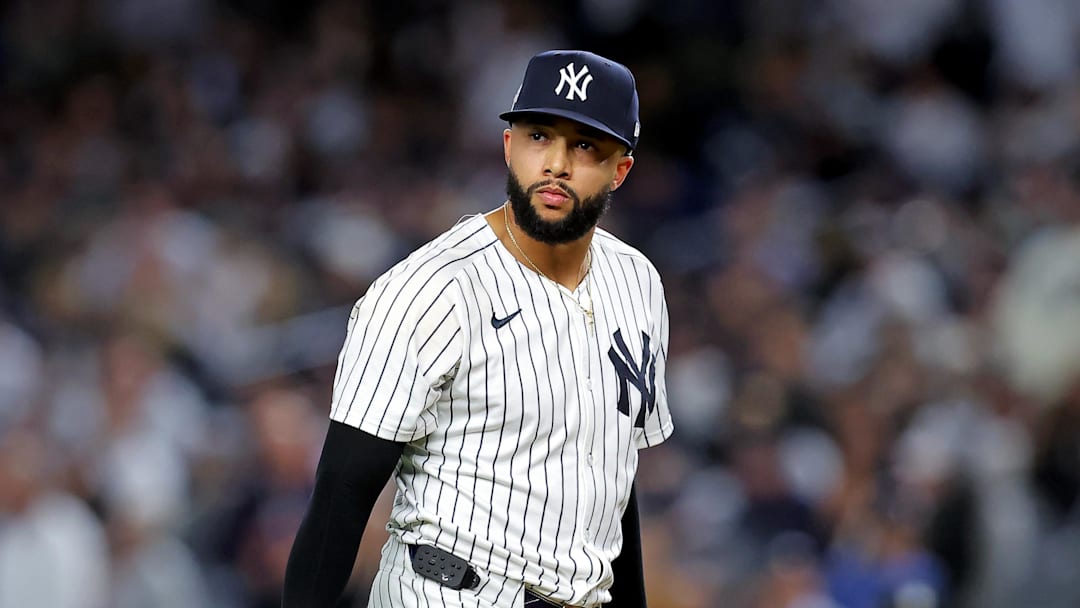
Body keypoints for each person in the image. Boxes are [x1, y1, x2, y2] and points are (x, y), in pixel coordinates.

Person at [282, 49, 673, 608]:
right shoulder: (432, 288)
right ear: (510, 144)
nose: (556, 163)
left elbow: (613, 475)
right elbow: (341, 494)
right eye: (540, 135)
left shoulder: (638, 283)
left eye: (584, 145)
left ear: (621, 168)